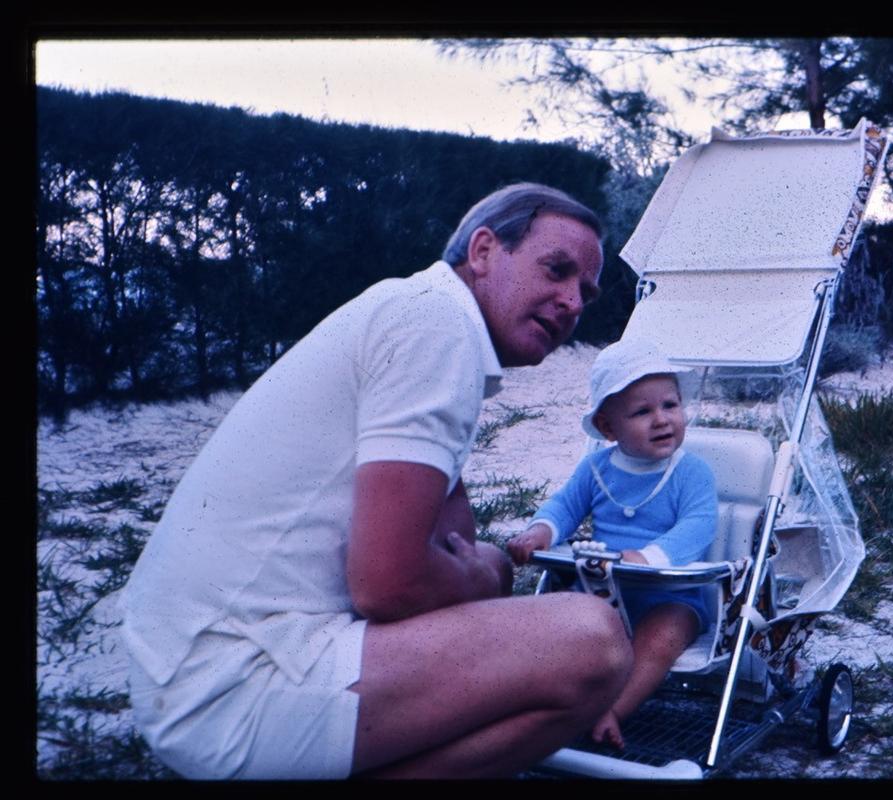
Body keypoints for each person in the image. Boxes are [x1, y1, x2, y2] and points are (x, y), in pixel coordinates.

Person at [120, 183, 633, 779]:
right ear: (485, 250)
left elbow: (447, 532)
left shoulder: (418, 312)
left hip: (193, 673)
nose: (572, 301)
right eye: (557, 269)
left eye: (586, 292)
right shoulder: (435, 325)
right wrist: (489, 568)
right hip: (231, 690)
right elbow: (391, 585)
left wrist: (468, 565)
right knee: (592, 641)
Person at [507, 338, 718, 749]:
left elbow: (699, 525)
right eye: (643, 411)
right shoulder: (596, 468)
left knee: (663, 636)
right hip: (604, 590)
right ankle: (544, 700)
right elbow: (565, 506)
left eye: (670, 405)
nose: (662, 420)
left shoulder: (691, 471)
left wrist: (648, 557)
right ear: (608, 428)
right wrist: (541, 532)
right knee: (554, 619)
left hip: (671, 596)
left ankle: (614, 710)